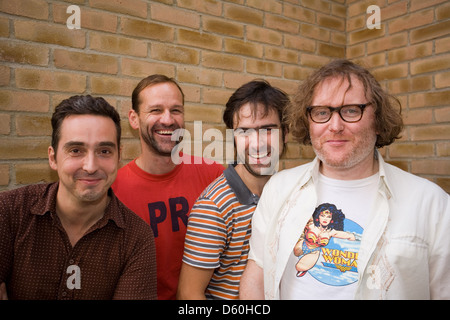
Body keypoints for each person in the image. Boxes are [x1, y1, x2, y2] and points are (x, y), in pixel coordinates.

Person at [240, 59, 450, 300]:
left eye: (351, 110)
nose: (335, 126)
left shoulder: (433, 204)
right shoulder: (278, 188)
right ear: (308, 121)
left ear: (378, 121)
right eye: (321, 112)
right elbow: (257, 271)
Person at [0, 95, 157, 300]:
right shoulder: (9, 212)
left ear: (119, 157)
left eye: (104, 151)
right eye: (76, 150)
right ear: (52, 157)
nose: (90, 166)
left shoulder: (137, 238)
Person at [111, 75, 224, 300]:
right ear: (134, 119)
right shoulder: (113, 190)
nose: (168, 120)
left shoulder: (214, 175)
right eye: (155, 110)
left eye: (176, 110)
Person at [177, 80, 289, 300]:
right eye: (245, 131)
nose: (257, 143)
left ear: (285, 133)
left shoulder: (286, 191)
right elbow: (189, 294)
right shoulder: (214, 207)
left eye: (268, 129)